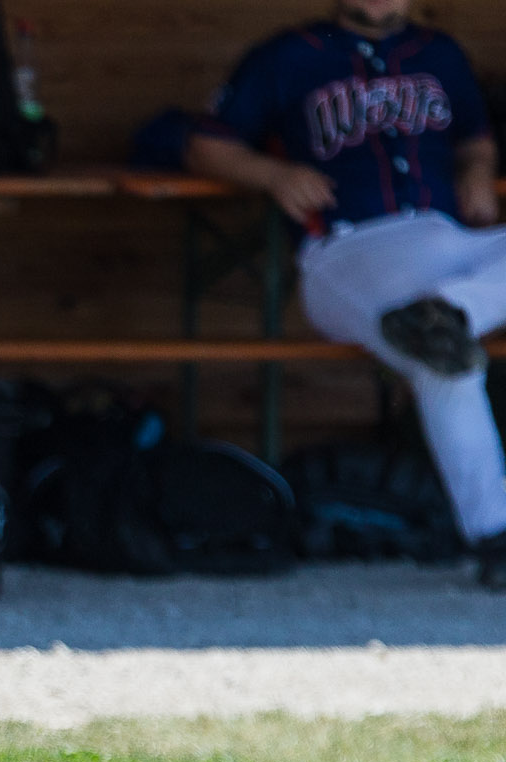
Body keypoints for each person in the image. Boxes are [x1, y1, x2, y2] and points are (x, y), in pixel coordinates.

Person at [187, 0, 506, 588]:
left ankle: (448, 315)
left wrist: (476, 169)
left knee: (443, 348)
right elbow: (206, 145)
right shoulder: (290, 55)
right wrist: (273, 175)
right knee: (446, 362)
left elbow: (474, 136)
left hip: (447, 237)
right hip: (350, 250)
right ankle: (494, 533)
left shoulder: (439, 53)